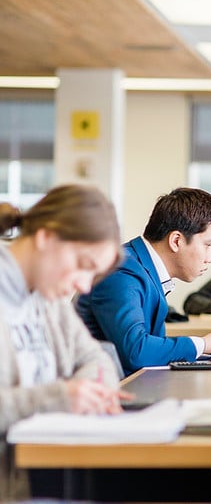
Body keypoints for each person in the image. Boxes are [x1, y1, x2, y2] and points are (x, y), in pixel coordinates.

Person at [0, 185, 131, 497]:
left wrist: (89, 391)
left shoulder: (48, 297)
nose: (84, 286)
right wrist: (59, 398)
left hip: (39, 479)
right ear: (46, 237)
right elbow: (59, 395)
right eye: (84, 266)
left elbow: (97, 358)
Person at [76, 188, 211, 376]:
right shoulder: (121, 272)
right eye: (207, 245)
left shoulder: (140, 267)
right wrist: (204, 344)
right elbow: (137, 351)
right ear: (176, 241)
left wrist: (208, 352)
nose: (209, 258)